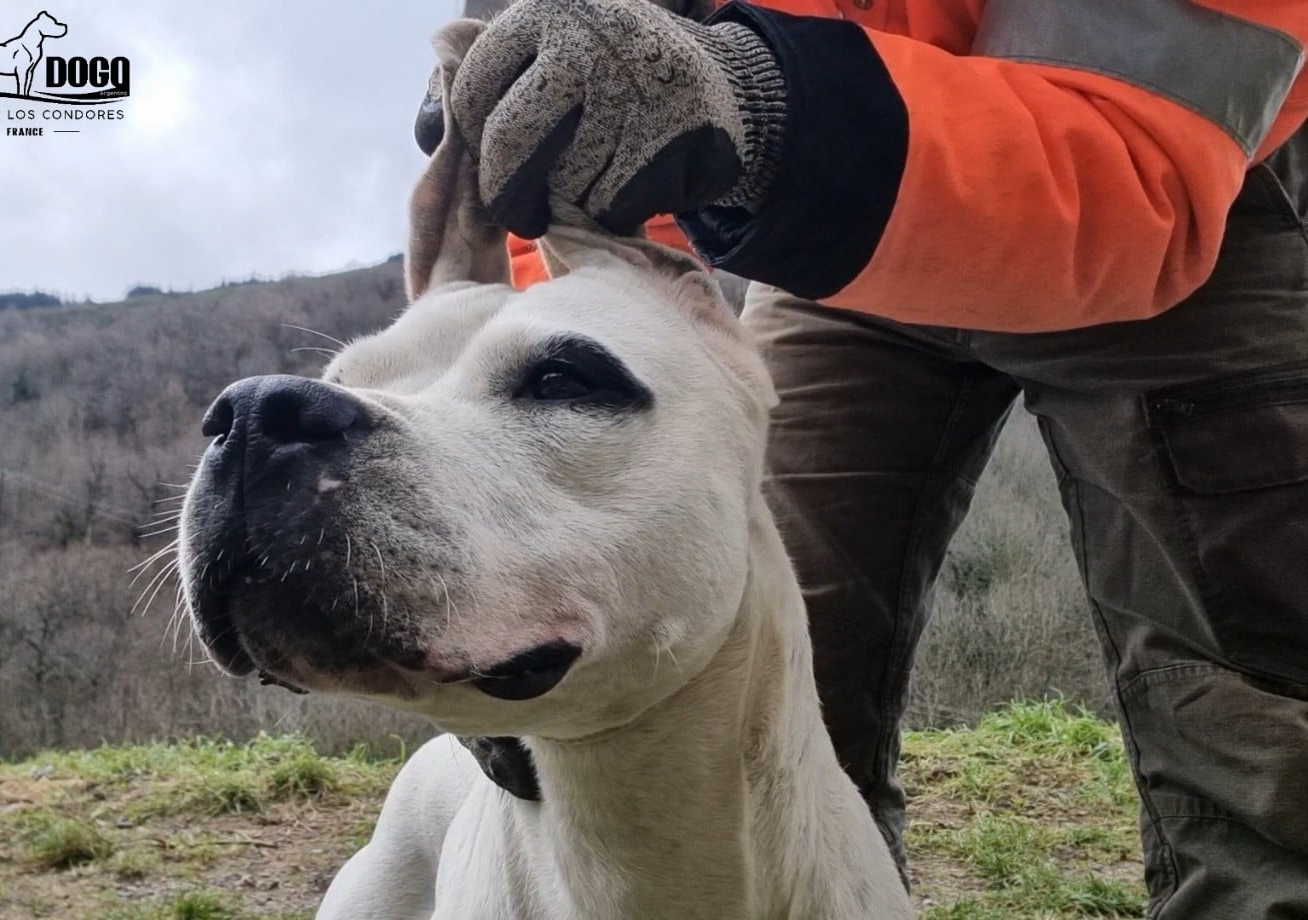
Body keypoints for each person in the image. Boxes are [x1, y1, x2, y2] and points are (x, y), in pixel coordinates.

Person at [421, 1, 1308, 915]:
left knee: (1254, 724)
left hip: (1181, 181)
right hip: (837, 224)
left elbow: (1130, 153)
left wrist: (752, 108)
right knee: (746, 656)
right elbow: (553, 135)